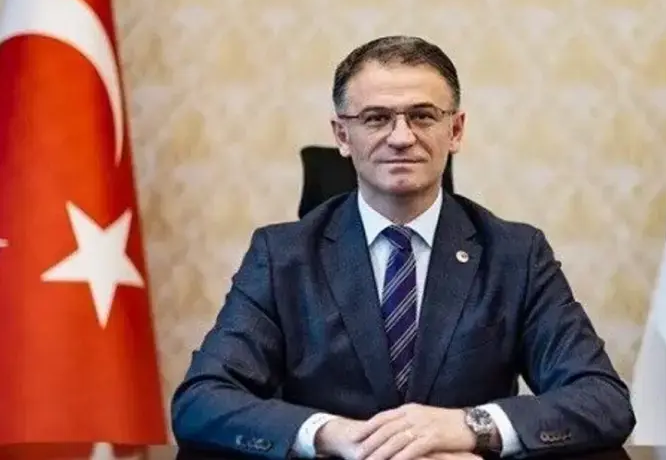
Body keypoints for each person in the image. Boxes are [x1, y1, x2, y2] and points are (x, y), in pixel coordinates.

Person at [171, 35, 636, 459]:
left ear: (455, 131)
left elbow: (603, 399)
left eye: (422, 116)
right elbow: (201, 400)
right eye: (376, 119)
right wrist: (332, 435)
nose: (401, 137)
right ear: (342, 135)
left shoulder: (516, 254)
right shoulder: (282, 256)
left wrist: (469, 427)